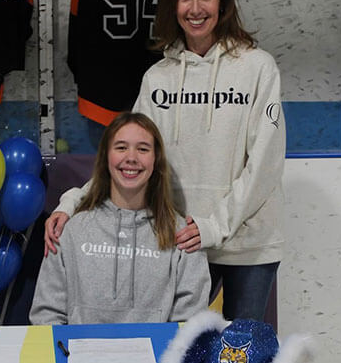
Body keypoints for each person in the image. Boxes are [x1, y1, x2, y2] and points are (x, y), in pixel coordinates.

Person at [45, 0, 286, 322]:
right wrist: (71, 203)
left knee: (241, 358)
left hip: (245, 247)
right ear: (173, 5)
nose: (195, 8)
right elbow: (130, 157)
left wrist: (213, 227)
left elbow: (265, 165)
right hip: (180, 244)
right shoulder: (158, 78)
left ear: (222, 3)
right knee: (179, 352)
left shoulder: (258, 68)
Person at [30, 112, 210, 325]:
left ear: (156, 160)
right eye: (121, 147)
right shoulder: (70, 229)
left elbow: (190, 325)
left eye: (143, 149)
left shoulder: (183, 234)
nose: (131, 157)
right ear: (106, 157)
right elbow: (46, 314)